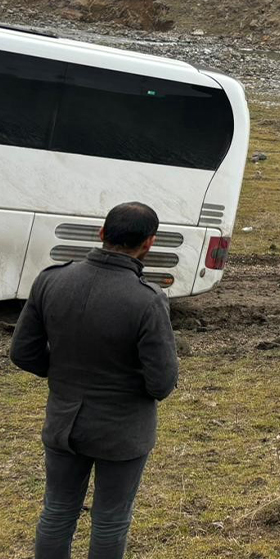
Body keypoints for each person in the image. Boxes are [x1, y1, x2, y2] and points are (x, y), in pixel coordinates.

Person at [10, 201, 179, 559]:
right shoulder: (147, 300)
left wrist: (61, 372)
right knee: (111, 521)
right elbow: (161, 382)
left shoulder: (50, 280)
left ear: (102, 233)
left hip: (62, 422)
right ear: (149, 243)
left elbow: (23, 353)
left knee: (56, 512)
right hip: (123, 430)